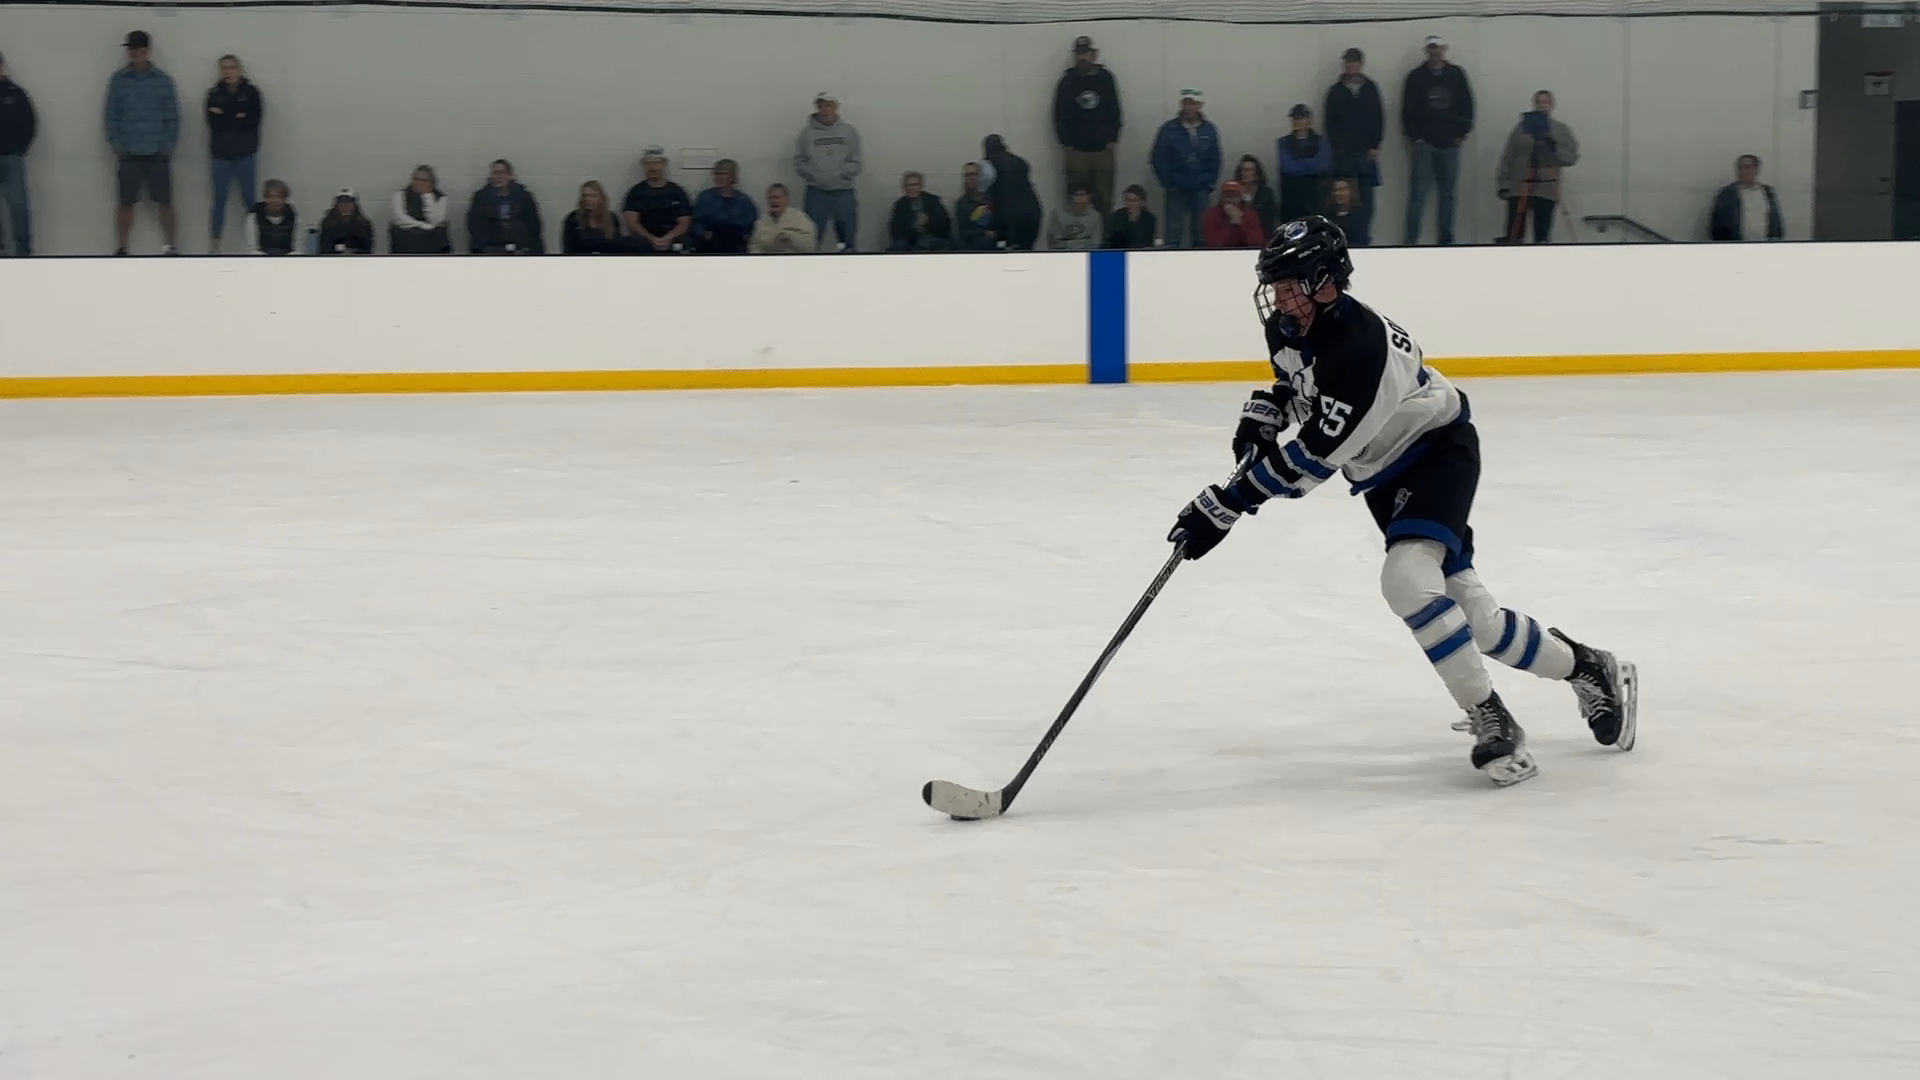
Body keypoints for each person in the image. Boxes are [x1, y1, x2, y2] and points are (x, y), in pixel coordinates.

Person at [1165, 217, 1637, 787]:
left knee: (1407, 581)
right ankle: (1589, 667)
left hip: (1436, 451)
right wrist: (1265, 414)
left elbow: (1316, 456)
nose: (1280, 298)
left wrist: (1228, 503)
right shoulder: (1291, 326)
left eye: (1291, 284)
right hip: (1382, 472)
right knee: (1477, 625)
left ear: (1324, 279)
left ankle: (1491, 718)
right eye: (1276, 286)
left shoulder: (1361, 348)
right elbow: (1300, 390)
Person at [105, 30, 181, 255]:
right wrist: (117, 145)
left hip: (157, 151)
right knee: (125, 203)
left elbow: (172, 117)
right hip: (129, 152)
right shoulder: (118, 81)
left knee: (165, 203)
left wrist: (167, 146)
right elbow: (111, 116)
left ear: (148, 50)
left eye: (138, 49)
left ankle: (170, 247)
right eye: (131, 49)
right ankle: (122, 248)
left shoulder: (163, 80)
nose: (134, 53)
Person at [1401, 34, 1475, 245]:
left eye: (1438, 47)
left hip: (1450, 145)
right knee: (1417, 197)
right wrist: (1416, 138)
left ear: (1445, 48)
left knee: (1448, 195)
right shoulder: (1415, 77)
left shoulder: (1456, 75)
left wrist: (1461, 133)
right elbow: (1407, 110)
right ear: (1427, 50)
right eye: (1431, 47)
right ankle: (1410, 240)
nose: (1435, 51)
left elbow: (1467, 106)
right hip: (1424, 145)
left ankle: (1446, 239)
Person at [1496, 90, 1579, 244]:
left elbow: (1571, 158)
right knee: (1514, 235)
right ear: (1534, 105)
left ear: (1552, 105)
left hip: (1546, 188)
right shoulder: (1520, 129)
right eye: (1539, 103)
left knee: (1542, 236)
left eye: (1545, 103)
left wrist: (1554, 148)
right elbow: (1508, 156)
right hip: (1519, 186)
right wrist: (1503, 184)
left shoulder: (1561, 130)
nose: (1542, 106)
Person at [1052, 35, 1122, 216]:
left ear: (1094, 54)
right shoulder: (1067, 81)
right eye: (1079, 54)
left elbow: (1115, 110)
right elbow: (1058, 115)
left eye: (1086, 53)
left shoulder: (1106, 78)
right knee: (1076, 200)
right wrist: (1066, 144)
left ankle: (1105, 240)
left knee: (1105, 201)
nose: (1082, 57)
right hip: (1077, 152)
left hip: (1102, 150)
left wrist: (1113, 138)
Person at [204, 54, 262, 253]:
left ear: (239, 69)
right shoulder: (213, 93)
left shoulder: (252, 93)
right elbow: (214, 124)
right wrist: (236, 115)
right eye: (224, 68)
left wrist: (226, 115)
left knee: (250, 201)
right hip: (220, 156)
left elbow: (252, 121)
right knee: (219, 200)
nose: (228, 72)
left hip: (245, 154)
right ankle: (215, 246)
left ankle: (257, 245)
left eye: (231, 68)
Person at [1149, 89, 1221, 248]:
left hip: (1201, 186)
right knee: (1173, 231)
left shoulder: (1209, 129)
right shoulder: (1169, 129)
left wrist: (1210, 183)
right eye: (1186, 103)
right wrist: (1169, 183)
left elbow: (1215, 159)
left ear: (1200, 106)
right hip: (1177, 186)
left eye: (1192, 104)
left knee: (1201, 231)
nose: (1189, 107)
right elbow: (1157, 157)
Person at [794, 92, 861, 251]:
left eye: (829, 105)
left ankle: (846, 265)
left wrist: (841, 175)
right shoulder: (806, 134)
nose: (825, 110)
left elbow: (856, 162)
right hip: (816, 194)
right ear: (817, 107)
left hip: (843, 193)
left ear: (836, 107)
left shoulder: (849, 132)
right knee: (811, 238)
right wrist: (816, 177)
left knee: (845, 239)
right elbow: (799, 162)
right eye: (821, 105)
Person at [622, 146, 693, 254]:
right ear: (643, 166)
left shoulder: (677, 192)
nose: (652, 167)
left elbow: (684, 222)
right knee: (634, 244)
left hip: (672, 237)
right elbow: (632, 223)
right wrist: (652, 239)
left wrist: (668, 238)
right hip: (646, 238)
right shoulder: (635, 192)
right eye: (648, 163)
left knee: (686, 243)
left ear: (664, 164)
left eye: (656, 163)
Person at [0, 52, 36, 256]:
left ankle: (24, 252)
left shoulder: (16, 94)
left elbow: (30, 124)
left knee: (18, 206)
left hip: (12, 158)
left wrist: (20, 149)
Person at [467, 158, 544, 254]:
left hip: (519, 242)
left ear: (510, 176)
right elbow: (475, 225)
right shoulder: (481, 198)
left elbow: (534, 224)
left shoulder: (524, 197)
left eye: (501, 173)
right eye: (495, 173)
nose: (497, 177)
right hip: (491, 244)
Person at [981, 134, 1041, 251]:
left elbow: (1002, 201)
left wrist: (998, 230)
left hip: (1010, 218)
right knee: (1025, 251)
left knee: (1006, 252)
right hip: (1032, 214)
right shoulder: (1020, 162)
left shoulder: (990, 165)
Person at [1275, 103, 1333, 222]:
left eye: (1301, 117)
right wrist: (1311, 165)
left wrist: (1299, 164)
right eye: (1295, 118)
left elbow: (1322, 164)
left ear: (1309, 120)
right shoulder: (1284, 142)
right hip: (1292, 200)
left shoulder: (1321, 141)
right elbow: (1287, 167)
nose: (1298, 121)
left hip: (1316, 198)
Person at [1709, 154, 1784, 242]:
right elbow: (1717, 223)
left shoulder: (1768, 192)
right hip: (1736, 246)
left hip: (1765, 245)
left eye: (1747, 167)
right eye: (1740, 168)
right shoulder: (1727, 193)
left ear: (1756, 170)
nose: (1743, 171)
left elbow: (1776, 220)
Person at [691, 159, 757, 254]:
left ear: (733, 177)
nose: (719, 177)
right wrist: (704, 234)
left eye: (723, 174)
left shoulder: (743, 201)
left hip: (736, 246)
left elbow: (752, 225)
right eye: (717, 174)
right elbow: (695, 222)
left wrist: (746, 236)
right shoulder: (705, 197)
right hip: (709, 245)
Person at [389, 164, 451, 254]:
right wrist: (423, 226)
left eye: (424, 180)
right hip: (406, 241)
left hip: (433, 244)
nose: (419, 183)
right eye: (416, 179)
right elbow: (400, 218)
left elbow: (435, 220)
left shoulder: (441, 198)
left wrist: (427, 196)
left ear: (432, 183)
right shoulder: (400, 195)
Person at [887, 170, 952, 251]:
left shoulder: (933, 201)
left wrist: (929, 222)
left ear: (921, 186)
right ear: (904, 188)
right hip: (910, 242)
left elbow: (945, 227)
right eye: (908, 185)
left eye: (915, 185)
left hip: (933, 240)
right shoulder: (900, 205)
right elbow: (895, 231)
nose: (912, 188)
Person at [749, 182, 817, 254]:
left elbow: (810, 247)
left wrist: (790, 237)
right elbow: (754, 247)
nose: (773, 201)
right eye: (770, 198)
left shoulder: (800, 218)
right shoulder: (761, 222)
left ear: (787, 200)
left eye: (776, 197)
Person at [562, 180, 626, 254]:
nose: (588, 199)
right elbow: (568, 249)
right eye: (585, 195)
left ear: (601, 198)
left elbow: (618, 247)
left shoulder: (612, 218)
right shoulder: (573, 219)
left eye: (592, 196)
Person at [242, 177, 297, 255]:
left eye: (280, 197)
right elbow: (252, 248)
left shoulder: (294, 216)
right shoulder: (253, 216)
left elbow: (298, 248)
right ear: (265, 197)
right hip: (261, 260)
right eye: (271, 197)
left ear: (286, 199)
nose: (275, 200)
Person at [1200, 180, 1262, 248]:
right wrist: (1232, 226)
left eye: (1234, 196)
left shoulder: (1249, 214)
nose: (1230, 200)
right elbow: (1213, 242)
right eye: (1227, 196)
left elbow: (1258, 242)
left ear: (1240, 198)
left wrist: (1242, 223)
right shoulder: (1212, 214)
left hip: (1244, 252)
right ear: (1221, 198)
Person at [953, 161, 998, 251]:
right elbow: (963, 231)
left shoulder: (992, 199)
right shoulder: (962, 203)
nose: (970, 178)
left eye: (973, 174)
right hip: (973, 246)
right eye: (967, 175)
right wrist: (983, 233)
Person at [315, 188, 372, 254]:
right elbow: (325, 249)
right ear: (337, 206)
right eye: (342, 203)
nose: (345, 207)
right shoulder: (328, 224)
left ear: (355, 206)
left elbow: (367, 250)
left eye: (348, 203)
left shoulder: (363, 225)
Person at [1232, 155, 1278, 235]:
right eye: (1242, 170)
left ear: (1257, 173)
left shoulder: (1265, 194)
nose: (1244, 173)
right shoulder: (1231, 191)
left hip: (1260, 235)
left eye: (1248, 170)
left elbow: (1268, 221)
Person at [1104, 183, 1157, 249]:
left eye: (1133, 201)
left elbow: (1144, 242)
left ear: (1143, 202)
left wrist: (1135, 221)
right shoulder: (1116, 217)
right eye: (1127, 200)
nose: (1129, 204)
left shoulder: (1149, 219)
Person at [1324, 176, 1371, 247]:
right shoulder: (1327, 218)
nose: (1338, 193)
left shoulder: (1360, 216)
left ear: (1351, 192)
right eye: (1335, 190)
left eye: (1342, 190)